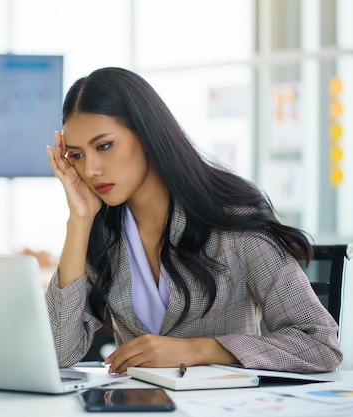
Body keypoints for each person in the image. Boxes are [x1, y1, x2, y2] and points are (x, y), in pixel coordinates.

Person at [45, 67, 342, 375]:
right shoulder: (104, 232)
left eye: (104, 146)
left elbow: (320, 343)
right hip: (137, 407)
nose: (91, 169)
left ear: (147, 134)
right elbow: (57, 352)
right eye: (77, 156)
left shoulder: (230, 219)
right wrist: (78, 221)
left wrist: (201, 349)